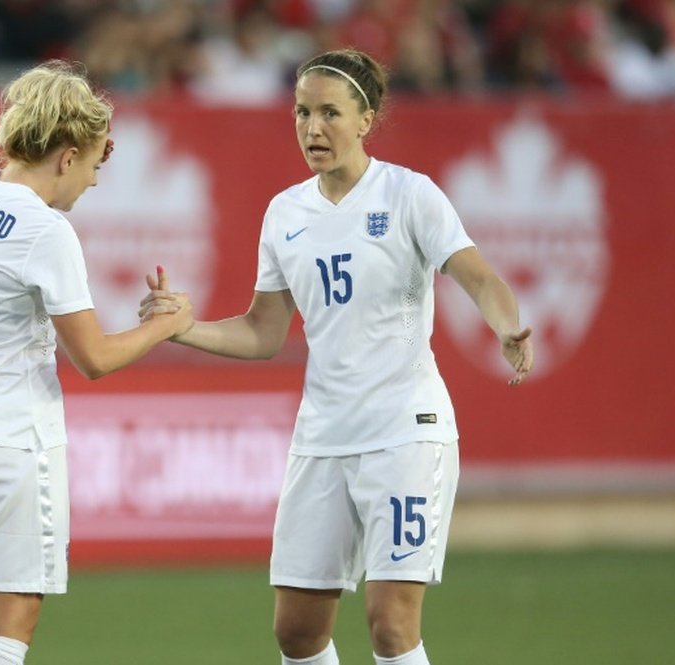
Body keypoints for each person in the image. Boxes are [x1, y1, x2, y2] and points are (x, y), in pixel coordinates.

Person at [140, 48, 533, 665]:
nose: (312, 128)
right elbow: (263, 332)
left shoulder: (410, 195)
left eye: (329, 112)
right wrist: (183, 328)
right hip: (322, 437)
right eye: (301, 112)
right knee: (296, 631)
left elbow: (480, 278)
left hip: (405, 432)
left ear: (366, 119)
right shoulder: (285, 214)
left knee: (390, 623)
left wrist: (507, 325)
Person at [0, 60, 192, 665]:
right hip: (11, 442)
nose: (93, 182)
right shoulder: (46, 232)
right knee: (9, 624)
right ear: (66, 156)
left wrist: (88, 133)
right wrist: (165, 325)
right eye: (93, 165)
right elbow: (93, 357)